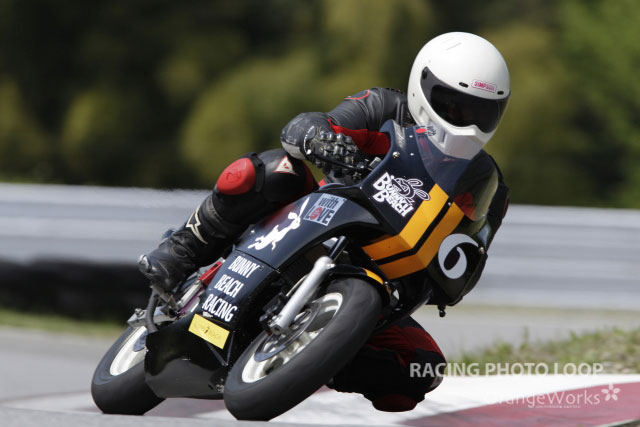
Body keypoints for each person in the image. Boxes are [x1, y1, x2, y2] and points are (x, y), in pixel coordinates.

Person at [138, 32, 510, 412]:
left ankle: (315, 359)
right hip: (317, 219)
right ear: (423, 87)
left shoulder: (483, 185)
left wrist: (454, 272)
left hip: (380, 275)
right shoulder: (384, 106)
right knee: (274, 170)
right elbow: (305, 127)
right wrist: (325, 141)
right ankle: (183, 249)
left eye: (481, 113)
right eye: (453, 106)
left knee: (420, 369)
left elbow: (470, 251)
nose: (467, 123)